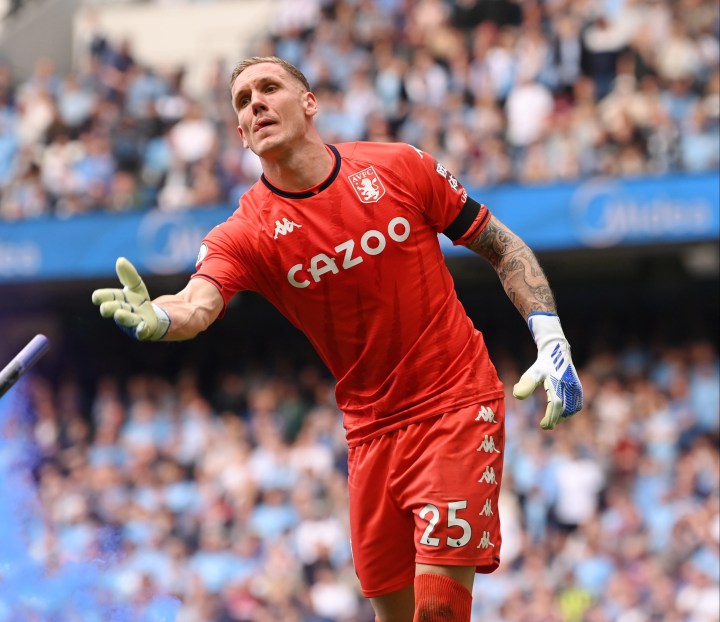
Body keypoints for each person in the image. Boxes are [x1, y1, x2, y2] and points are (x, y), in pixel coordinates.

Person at [91, 56, 584, 622]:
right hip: (369, 433)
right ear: (242, 134)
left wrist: (550, 335)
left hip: (455, 404)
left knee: (440, 610)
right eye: (242, 100)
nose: (255, 103)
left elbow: (502, 245)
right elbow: (196, 302)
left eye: (269, 88)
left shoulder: (398, 167)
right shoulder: (246, 231)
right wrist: (160, 316)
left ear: (309, 103)